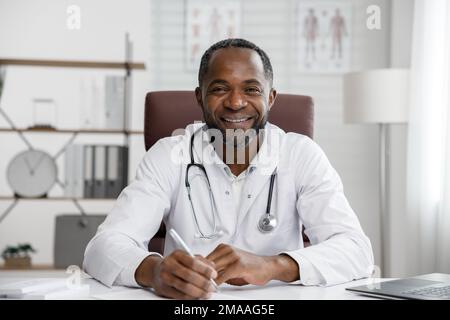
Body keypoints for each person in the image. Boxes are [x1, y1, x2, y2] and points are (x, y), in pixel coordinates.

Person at [83, 38, 374, 300]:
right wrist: (155, 270)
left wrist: (272, 265)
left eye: (251, 89)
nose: (235, 102)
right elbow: (102, 248)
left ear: (270, 98)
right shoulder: (170, 154)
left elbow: (357, 251)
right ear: (199, 97)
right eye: (220, 89)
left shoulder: (300, 155)